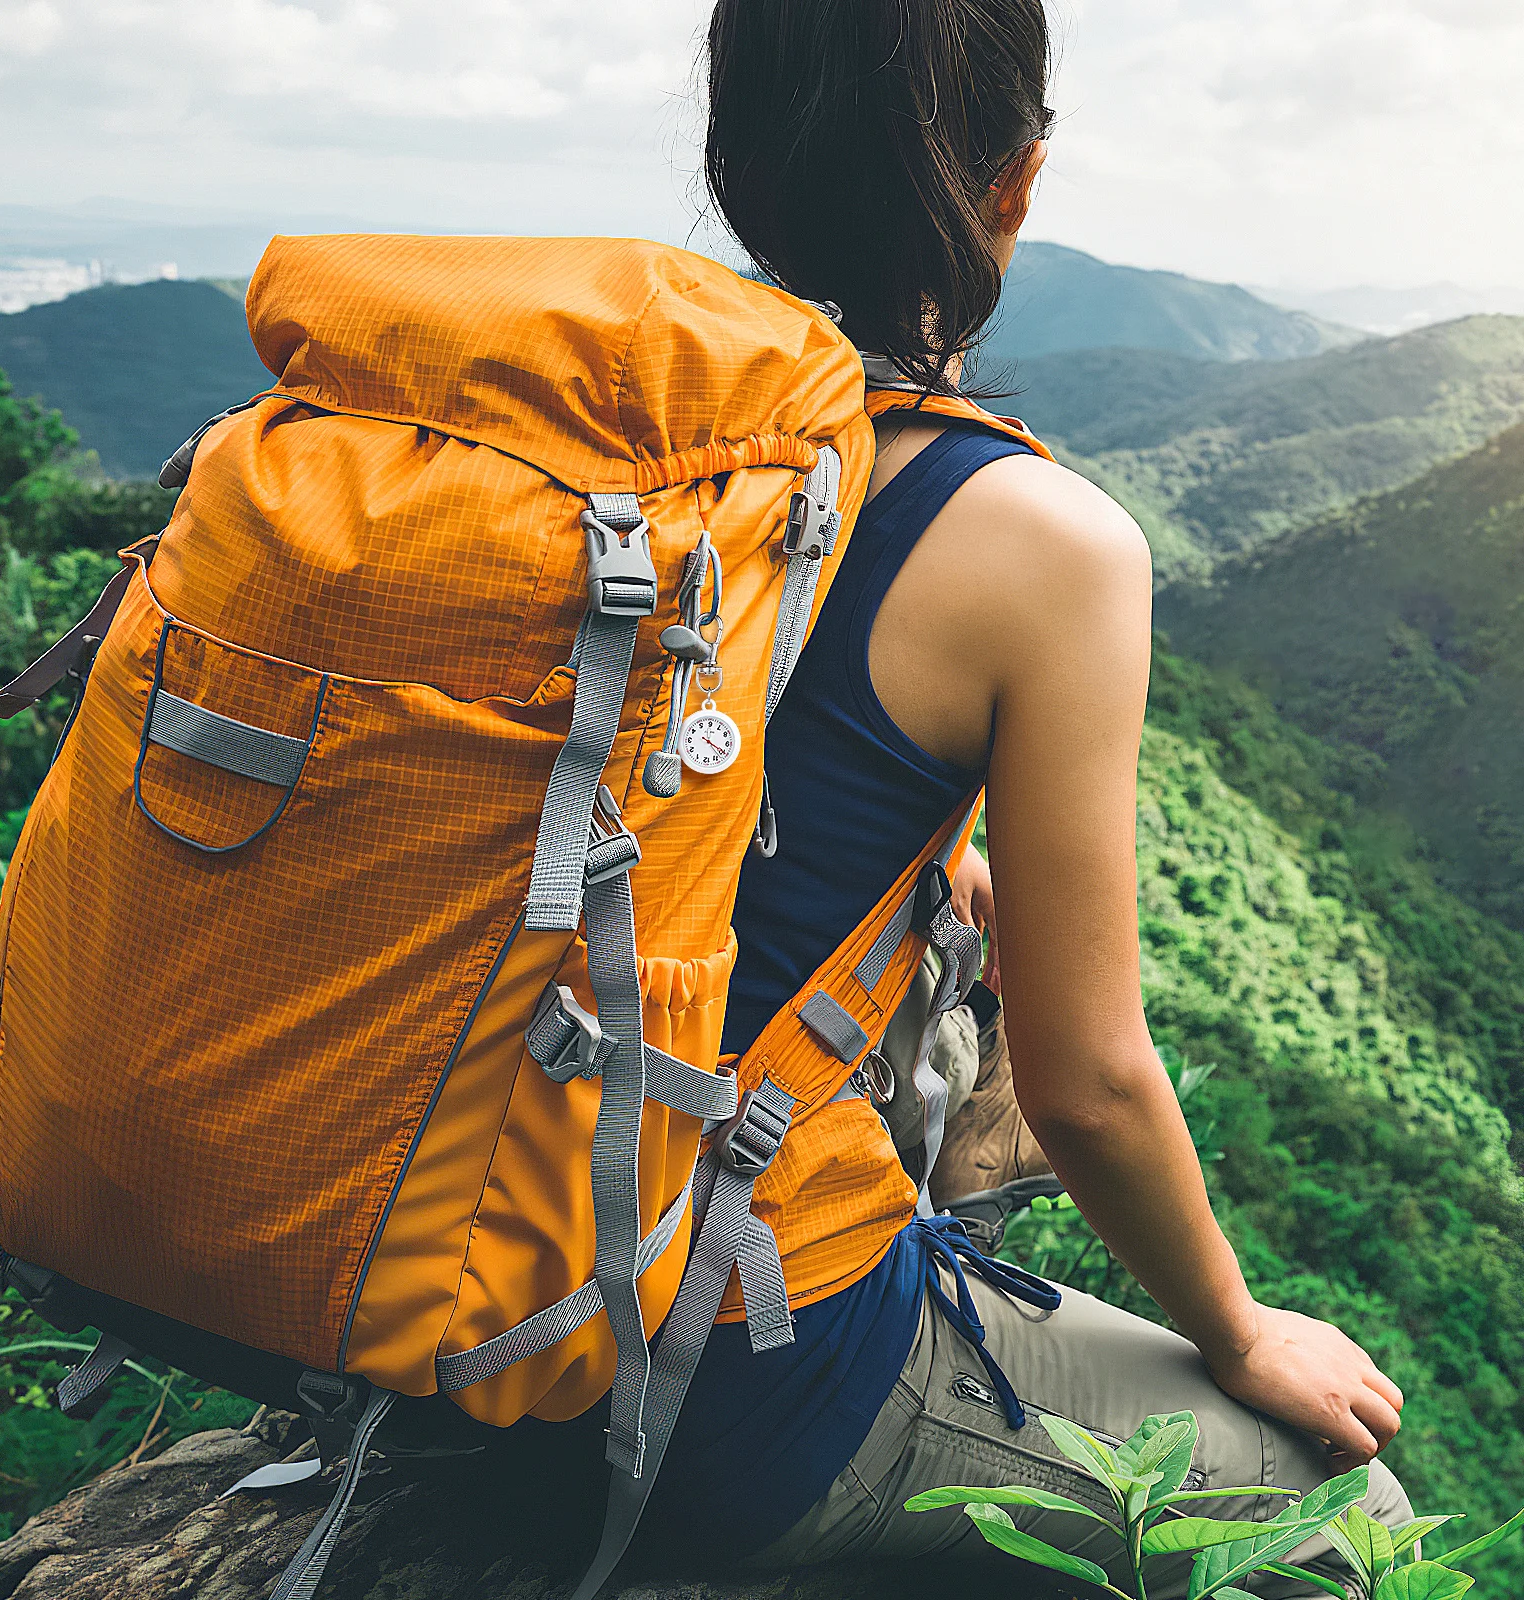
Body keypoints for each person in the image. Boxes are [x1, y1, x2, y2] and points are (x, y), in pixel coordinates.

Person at [639, 2, 1413, 1594]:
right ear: (1021, 184)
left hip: (420, 1247)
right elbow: (1094, 1086)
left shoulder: (632, 438)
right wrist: (1242, 1330)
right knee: (1347, 1523)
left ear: (732, 168)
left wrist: (925, 846)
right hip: (706, 1368)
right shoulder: (1041, 541)